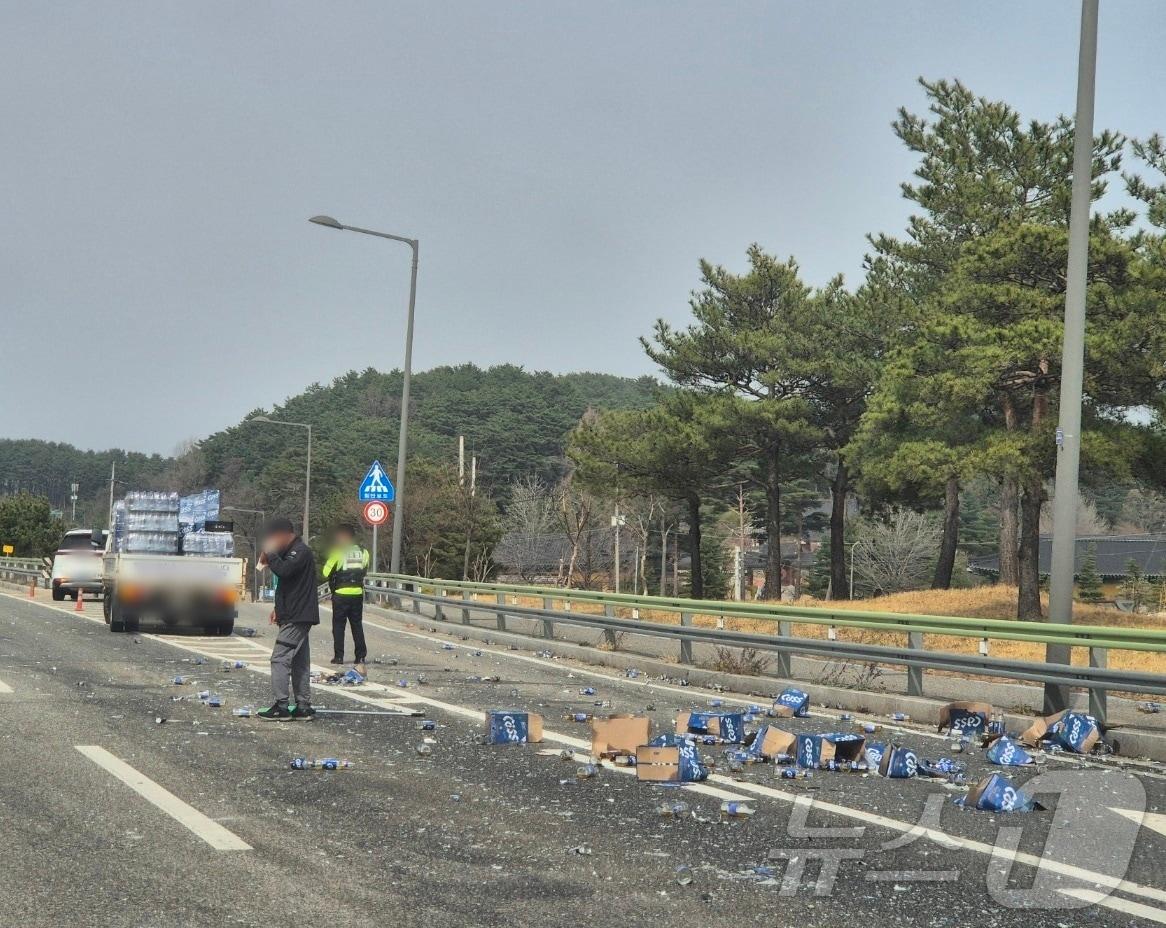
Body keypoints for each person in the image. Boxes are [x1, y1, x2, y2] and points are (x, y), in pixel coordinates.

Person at [256, 518, 319, 721]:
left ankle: (281, 706)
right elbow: (289, 584)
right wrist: (278, 609)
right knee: (299, 660)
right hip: (294, 613)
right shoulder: (292, 552)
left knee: (279, 658)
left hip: (298, 615)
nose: (272, 541)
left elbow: (284, 570)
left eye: (274, 538)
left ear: (283, 534)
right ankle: (302, 706)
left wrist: (271, 553)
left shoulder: (300, 551)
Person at [321, 524, 370, 674]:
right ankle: (360, 657)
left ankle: (339, 656)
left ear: (343, 536)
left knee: (338, 626)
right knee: (357, 625)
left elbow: (325, 572)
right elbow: (365, 570)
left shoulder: (338, 552)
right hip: (357, 593)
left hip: (341, 594)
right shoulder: (364, 552)